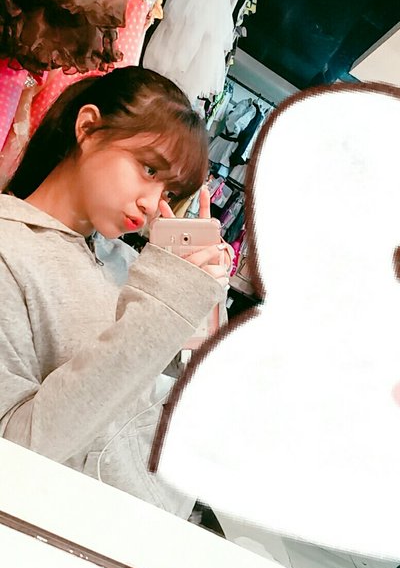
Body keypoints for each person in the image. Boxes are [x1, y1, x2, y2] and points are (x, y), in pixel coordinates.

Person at [0, 66, 230, 525]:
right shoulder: (10, 252)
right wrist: (165, 302)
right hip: (74, 537)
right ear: (88, 127)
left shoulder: (127, 261)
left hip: (157, 522)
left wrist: (202, 305)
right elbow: (16, 452)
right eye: (149, 168)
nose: (152, 203)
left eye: (169, 190)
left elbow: (167, 391)